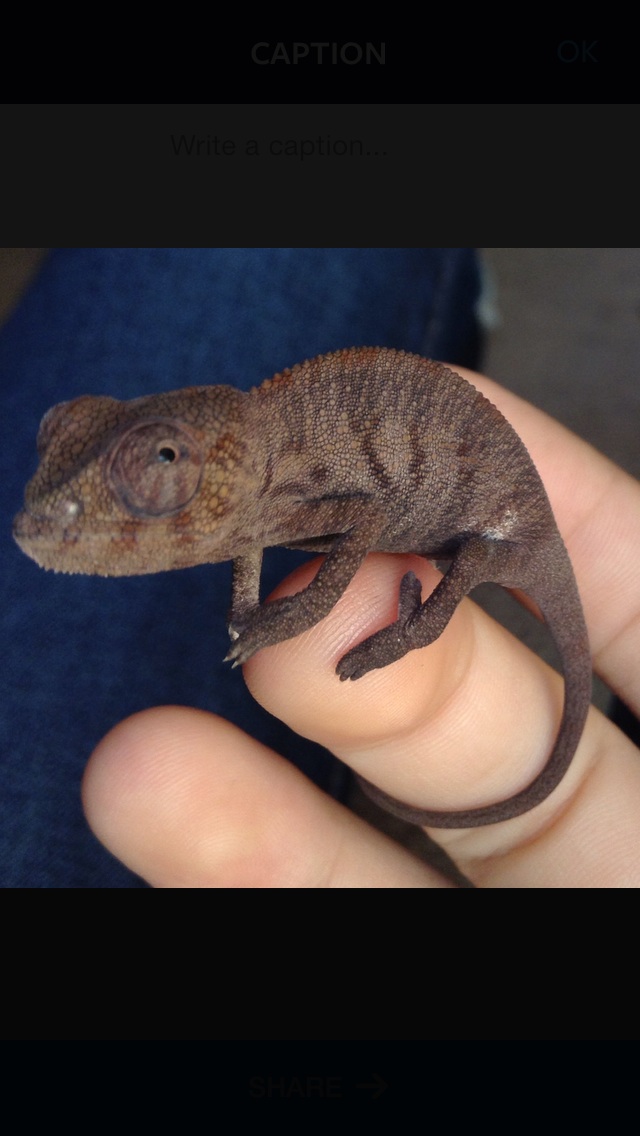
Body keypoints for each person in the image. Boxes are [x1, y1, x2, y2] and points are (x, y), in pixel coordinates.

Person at [80, 367, 640, 888]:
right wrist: (245, 610)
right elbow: (247, 531)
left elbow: (363, 517)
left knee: (469, 561)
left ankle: (418, 633)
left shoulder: (256, 471)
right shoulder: (251, 484)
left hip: (505, 527)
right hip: (439, 497)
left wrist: (319, 609)